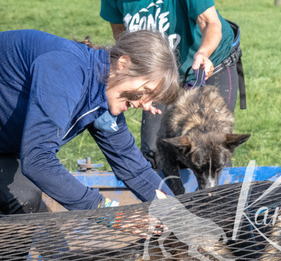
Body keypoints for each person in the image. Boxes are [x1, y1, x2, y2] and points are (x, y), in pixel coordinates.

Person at [0, 29, 180, 214]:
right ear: (123, 64)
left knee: (27, 201)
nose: (146, 105)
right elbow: (38, 159)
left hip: (7, 147)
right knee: (25, 199)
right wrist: (107, 212)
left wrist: (176, 214)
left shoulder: (103, 95)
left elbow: (134, 169)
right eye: (146, 91)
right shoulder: (66, 71)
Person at [100, 0, 246, 169]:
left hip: (210, 63)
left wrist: (204, 52)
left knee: (212, 144)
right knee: (154, 151)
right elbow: (122, 37)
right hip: (159, 74)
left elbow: (209, 22)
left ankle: (218, 185)